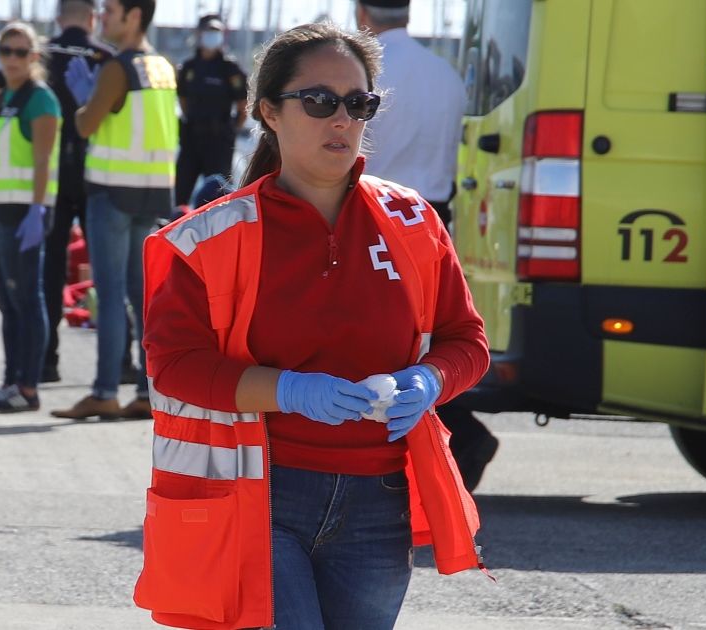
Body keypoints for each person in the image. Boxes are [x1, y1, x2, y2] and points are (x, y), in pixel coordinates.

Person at [134, 22, 490, 630]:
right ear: (269, 112)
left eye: (359, 103)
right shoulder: (210, 238)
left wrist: (430, 382)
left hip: (378, 506)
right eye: (321, 101)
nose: (343, 120)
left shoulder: (413, 222)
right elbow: (174, 366)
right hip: (259, 496)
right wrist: (290, 390)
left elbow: (468, 343)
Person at [357, 0, 499, 492]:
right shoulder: (446, 74)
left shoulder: (365, 74)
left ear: (361, 12)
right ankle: (453, 441)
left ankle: (458, 437)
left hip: (371, 214)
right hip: (430, 216)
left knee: (377, 341)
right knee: (420, 337)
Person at [50, 0, 175, 421]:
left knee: (108, 296)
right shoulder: (162, 67)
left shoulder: (118, 67)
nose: (101, 18)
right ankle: (145, 390)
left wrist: (85, 98)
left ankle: (104, 391)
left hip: (111, 193)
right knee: (143, 299)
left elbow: (85, 125)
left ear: (133, 15)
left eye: (110, 11)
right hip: (152, 193)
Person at [0, 0, 114, 385]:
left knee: (50, 272)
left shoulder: (33, 56)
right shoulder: (104, 56)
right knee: (105, 274)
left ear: (58, 18)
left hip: (53, 176)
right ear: (92, 17)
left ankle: (46, 361)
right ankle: (119, 360)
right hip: (93, 173)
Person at [0, 22, 62, 413]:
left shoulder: (39, 99)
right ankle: (12, 379)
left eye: (21, 52)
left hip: (21, 213)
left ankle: (27, 385)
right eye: (6, 51)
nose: (12, 59)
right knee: (8, 303)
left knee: (26, 299)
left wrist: (38, 209)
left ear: (34, 57)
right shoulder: (3, 96)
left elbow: (43, 158)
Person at [174, 14, 247, 207]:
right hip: (191, 139)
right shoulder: (189, 67)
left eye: (216, 32)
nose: (212, 36)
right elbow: (182, 100)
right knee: (181, 194)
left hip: (218, 142)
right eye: (208, 32)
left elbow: (243, 105)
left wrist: (230, 131)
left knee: (217, 199)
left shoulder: (230, 69)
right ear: (199, 34)